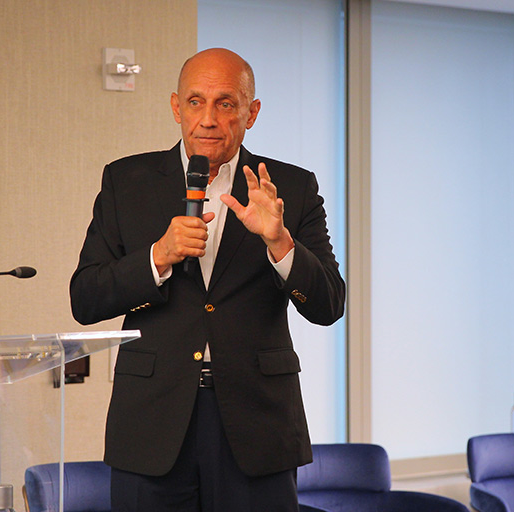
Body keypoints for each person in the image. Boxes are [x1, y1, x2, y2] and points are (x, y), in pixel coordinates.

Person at [70, 48, 345, 512]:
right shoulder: (126, 180)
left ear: (251, 113)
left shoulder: (291, 187)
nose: (209, 119)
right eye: (196, 102)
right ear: (176, 107)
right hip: (151, 421)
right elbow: (85, 297)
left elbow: (329, 305)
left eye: (226, 103)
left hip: (257, 424)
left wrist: (280, 243)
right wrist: (158, 256)